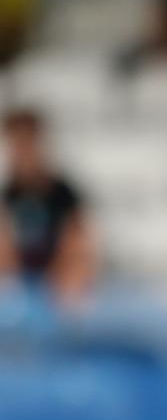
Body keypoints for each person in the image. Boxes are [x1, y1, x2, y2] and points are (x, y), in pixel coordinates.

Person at [0, 109, 93, 304]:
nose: (22, 152)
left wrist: (60, 277)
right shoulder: (8, 194)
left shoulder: (63, 193)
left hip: (58, 280)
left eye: (27, 143)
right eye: (16, 144)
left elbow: (78, 244)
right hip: (20, 281)